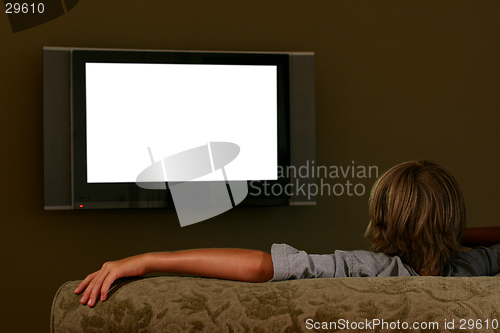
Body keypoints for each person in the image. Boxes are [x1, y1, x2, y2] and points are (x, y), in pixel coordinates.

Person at [75, 160, 500, 307]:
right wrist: (448, 235)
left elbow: (261, 266)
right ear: (452, 219)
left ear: (383, 219)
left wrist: (147, 259)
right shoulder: (476, 266)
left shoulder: (366, 269)